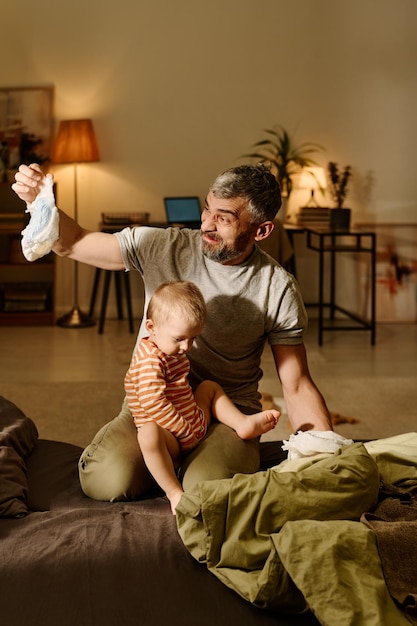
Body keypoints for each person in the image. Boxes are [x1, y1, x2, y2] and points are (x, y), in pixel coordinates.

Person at [12, 162, 333, 503]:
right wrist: (40, 201)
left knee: (206, 493)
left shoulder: (277, 287)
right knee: (105, 480)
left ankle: (188, 466)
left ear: (262, 230)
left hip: (225, 409)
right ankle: (167, 460)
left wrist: (324, 453)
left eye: (223, 218)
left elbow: (296, 383)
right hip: (155, 403)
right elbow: (73, 243)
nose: (207, 225)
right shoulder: (162, 245)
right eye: (207, 210)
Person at [126, 280, 280, 513]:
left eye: (193, 339)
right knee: (148, 435)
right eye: (180, 339)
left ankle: (243, 423)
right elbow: (154, 405)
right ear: (151, 327)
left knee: (208, 388)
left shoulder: (169, 349)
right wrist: (184, 431)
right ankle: (173, 492)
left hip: (193, 420)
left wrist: (193, 419)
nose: (187, 347)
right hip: (173, 436)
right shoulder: (149, 361)